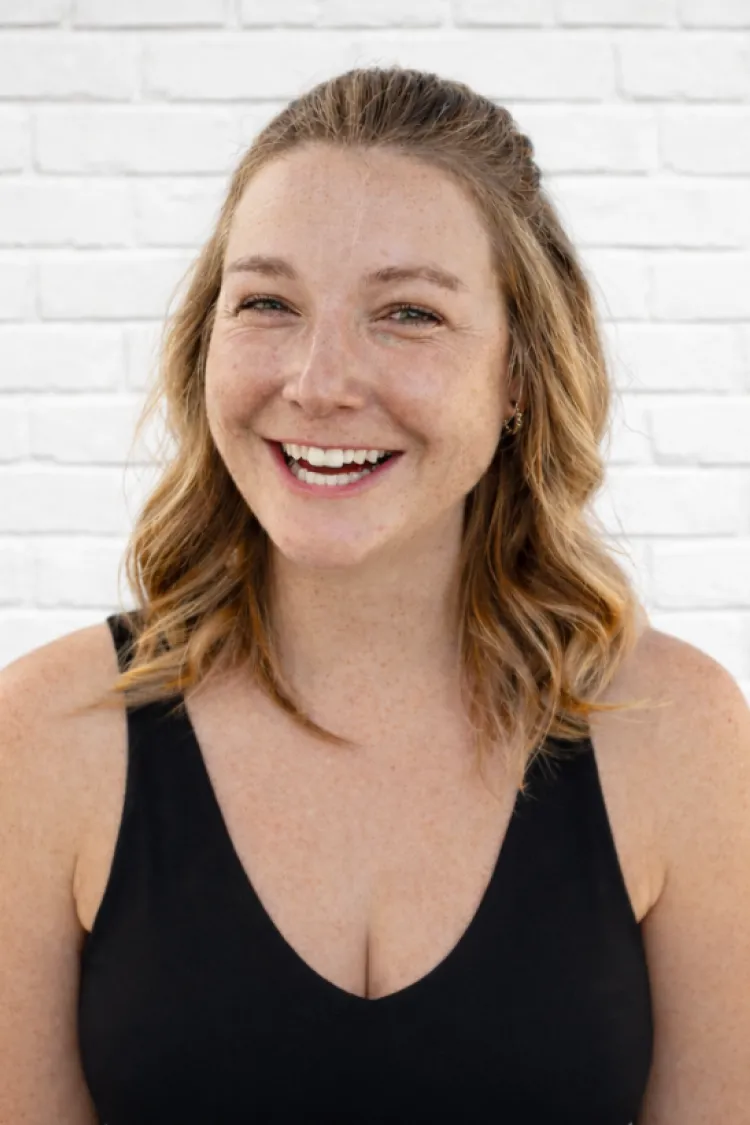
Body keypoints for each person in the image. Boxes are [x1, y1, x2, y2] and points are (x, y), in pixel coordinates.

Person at [0, 65, 748, 1125]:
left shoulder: (681, 734)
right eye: (267, 302)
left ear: (520, 376)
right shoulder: (42, 734)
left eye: (407, 313)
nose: (319, 381)